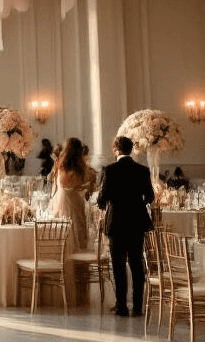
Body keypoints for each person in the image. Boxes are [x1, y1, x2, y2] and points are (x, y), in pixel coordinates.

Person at [96, 135, 154, 318]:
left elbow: (102, 197)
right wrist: (137, 203)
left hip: (117, 222)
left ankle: (122, 306)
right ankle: (137, 307)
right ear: (131, 150)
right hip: (136, 222)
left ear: (116, 150)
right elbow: (150, 197)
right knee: (137, 265)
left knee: (118, 266)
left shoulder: (110, 170)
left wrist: (105, 204)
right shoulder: (143, 170)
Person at [49, 137, 91, 249]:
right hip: (72, 199)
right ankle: (76, 250)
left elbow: (58, 183)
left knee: (65, 226)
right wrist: (84, 186)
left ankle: (63, 251)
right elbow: (73, 185)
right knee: (75, 226)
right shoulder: (78, 167)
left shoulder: (61, 164)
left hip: (60, 197)